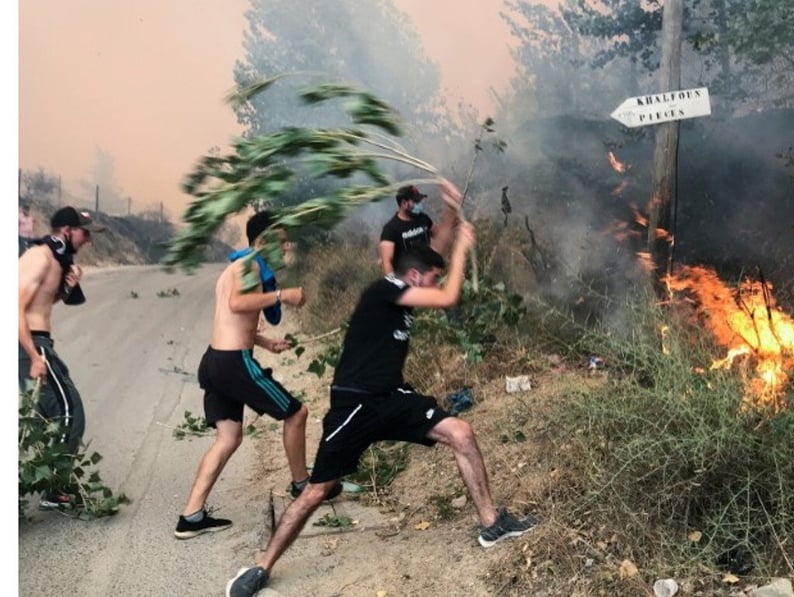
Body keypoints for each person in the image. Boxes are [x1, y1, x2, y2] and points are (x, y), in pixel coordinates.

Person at [226, 181, 535, 597]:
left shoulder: (405, 284)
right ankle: (261, 567)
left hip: (392, 397)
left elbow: (431, 250)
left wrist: (450, 212)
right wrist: (463, 248)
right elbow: (447, 296)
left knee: (461, 433)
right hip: (354, 404)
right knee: (317, 490)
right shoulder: (386, 287)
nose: (432, 285)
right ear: (413, 276)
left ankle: (491, 524)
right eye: (430, 278)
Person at [174, 210, 341, 540]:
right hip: (233, 363)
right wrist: (283, 295)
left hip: (216, 360)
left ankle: (191, 516)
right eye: (281, 241)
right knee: (297, 413)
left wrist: (264, 342)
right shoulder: (247, 265)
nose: (287, 248)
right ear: (263, 240)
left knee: (228, 438)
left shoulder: (237, 267)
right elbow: (238, 304)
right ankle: (302, 485)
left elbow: (231, 320)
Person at [18, 206, 106, 510]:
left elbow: (40, 302)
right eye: (84, 233)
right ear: (67, 230)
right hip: (29, 343)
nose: (88, 240)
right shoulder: (39, 257)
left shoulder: (55, 260)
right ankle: (54, 489)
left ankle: (44, 484)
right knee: (69, 410)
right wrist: (33, 355)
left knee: (44, 417)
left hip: (37, 342)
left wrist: (66, 287)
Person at [378, 183, 461, 275]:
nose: (419, 204)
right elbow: (386, 263)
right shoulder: (390, 229)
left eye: (419, 201)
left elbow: (438, 236)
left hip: (427, 275)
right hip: (407, 278)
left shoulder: (423, 218)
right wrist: (394, 282)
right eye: (415, 201)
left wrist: (450, 223)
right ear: (404, 203)